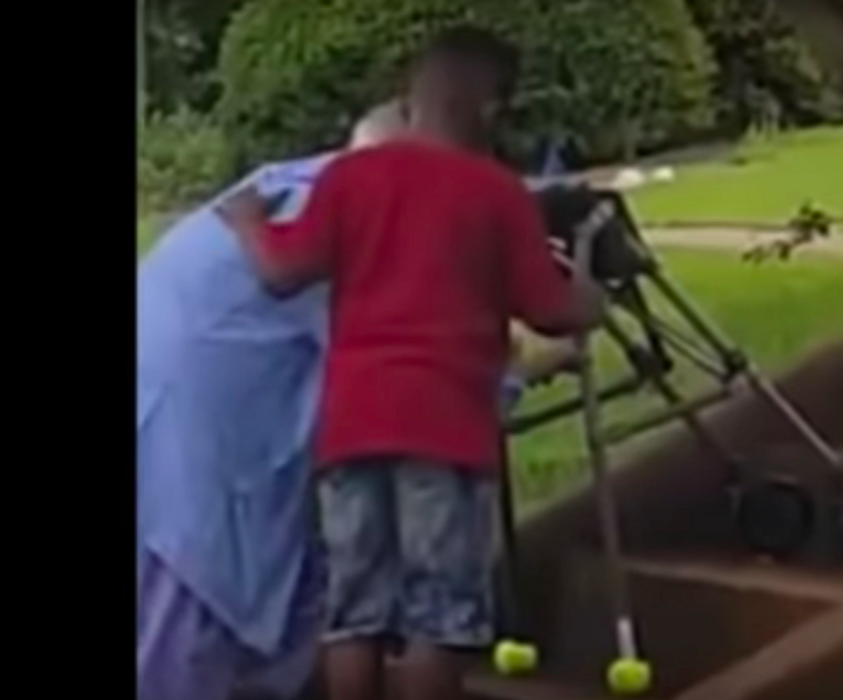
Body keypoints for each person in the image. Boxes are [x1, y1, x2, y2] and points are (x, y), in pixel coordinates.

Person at [218, 25, 604, 700]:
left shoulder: (349, 178)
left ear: (408, 99)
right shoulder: (496, 193)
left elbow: (282, 271)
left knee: (354, 616)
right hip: (445, 431)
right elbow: (548, 309)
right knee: (437, 618)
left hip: (352, 428)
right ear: (491, 107)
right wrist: (589, 298)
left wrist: (249, 220)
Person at [136, 102, 406, 700]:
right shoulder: (364, 219)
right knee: (192, 642)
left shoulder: (301, 182)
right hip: (193, 461)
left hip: (177, 417)